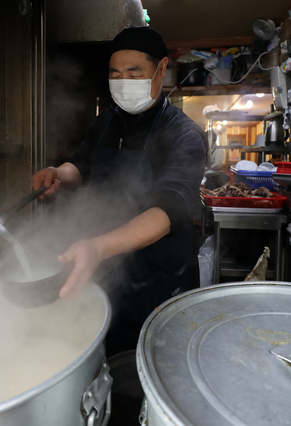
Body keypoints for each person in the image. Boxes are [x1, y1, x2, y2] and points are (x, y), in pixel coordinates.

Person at [32, 26, 206, 354]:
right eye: (115, 73)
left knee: (146, 366)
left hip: (157, 281)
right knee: (101, 359)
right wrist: (58, 173)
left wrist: (98, 247)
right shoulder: (106, 122)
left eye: (134, 71)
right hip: (106, 270)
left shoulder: (184, 135)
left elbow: (167, 212)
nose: (123, 81)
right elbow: (81, 166)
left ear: (161, 68)